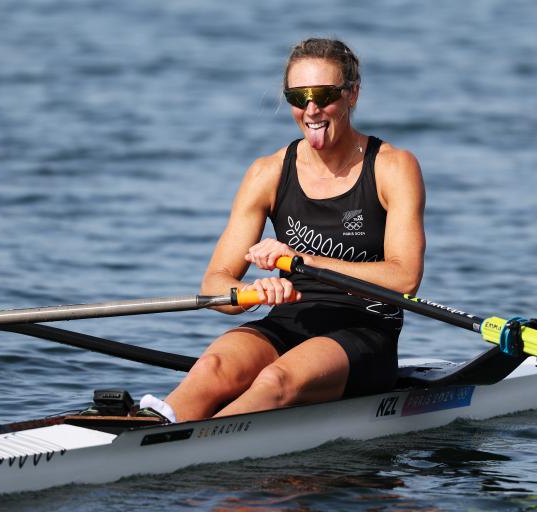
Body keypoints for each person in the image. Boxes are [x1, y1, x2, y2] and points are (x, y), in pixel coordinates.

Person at [140, 38, 425, 423]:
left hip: (364, 329)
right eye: (298, 96)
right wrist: (250, 293)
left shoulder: (393, 167)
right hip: (288, 319)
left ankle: (191, 448)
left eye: (324, 95)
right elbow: (214, 286)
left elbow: (404, 277)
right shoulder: (267, 172)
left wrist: (300, 261)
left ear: (352, 94)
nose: (311, 110)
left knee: (274, 380)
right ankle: (152, 431)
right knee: (210, 368)